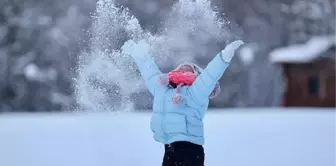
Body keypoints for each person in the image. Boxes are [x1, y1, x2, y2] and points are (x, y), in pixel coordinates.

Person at [122, 39, 244, 166]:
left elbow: (210, 75)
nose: (185, 68)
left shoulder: (197, 91)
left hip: (191, 149)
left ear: (196, 75)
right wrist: (138, 53)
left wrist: (224, 56)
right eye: (181, 68)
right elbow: (150, 72)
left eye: (190, 69)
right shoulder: (162, 88)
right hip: (169, 148)